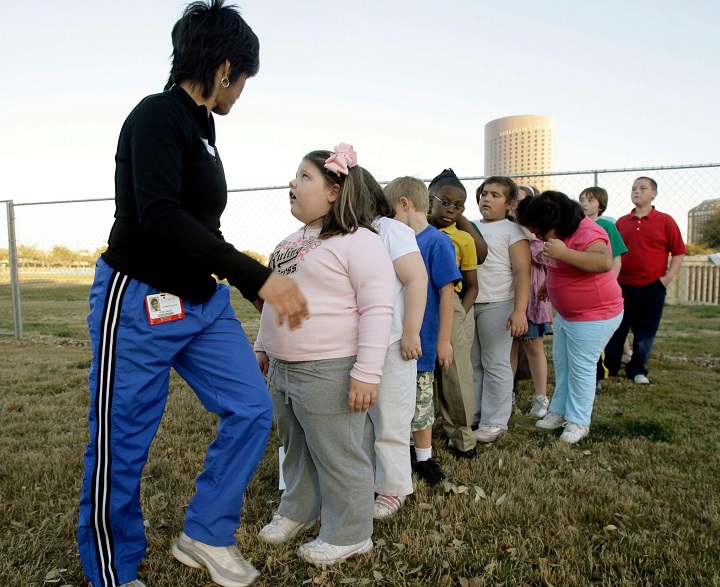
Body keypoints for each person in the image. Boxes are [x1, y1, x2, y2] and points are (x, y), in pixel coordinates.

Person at [77, 3, 308, 587]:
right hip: (139, 300)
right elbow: (158, 217)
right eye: (245, 79)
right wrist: (257, 276)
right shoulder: (156, 116)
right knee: (122, 441)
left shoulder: (204, 130)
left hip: (201, 305)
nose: (243, 92)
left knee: (253, 410)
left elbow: (202, 228)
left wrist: (239, 284)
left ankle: (205, 533)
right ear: (226, 67)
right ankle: (114, 571)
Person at [254, 145, 396, 565]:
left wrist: (366, 373)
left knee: (338, 453)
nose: (292, 185)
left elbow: (378, 308)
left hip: (329, 369)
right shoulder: (287, 243)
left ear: (334, 191)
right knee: (295, 446)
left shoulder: (359, 241)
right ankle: (298, 509)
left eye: (304, 177)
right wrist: (262, 347)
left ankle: (350, 532)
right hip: (283, 367)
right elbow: (272, 301)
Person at [516, 191, 624, 443]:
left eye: (541, 232)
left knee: (582, 368)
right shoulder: (560, 235)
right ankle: (559, 411)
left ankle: (578, 421)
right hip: (569, 315)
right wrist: (547, 285)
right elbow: (561, 268)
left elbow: (603, 262)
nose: (540, 238)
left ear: (556, 221)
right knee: (563, 362)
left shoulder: (587, 232)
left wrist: (564, 253)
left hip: (595, 315)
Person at [384, 176, 460, 486]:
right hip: (395, 337)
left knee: (421, 402)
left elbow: (446, 293)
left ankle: (425, 458)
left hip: (424, 340)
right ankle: (401, 454)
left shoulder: (436, 241)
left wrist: (443, 341)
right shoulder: (389, 240)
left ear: (404, 204)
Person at [362, 169, 428, 518]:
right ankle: (368, 479)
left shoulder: (391, 230)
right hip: (359, 343)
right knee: (365, 419)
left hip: (392, 341)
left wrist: (411, 332)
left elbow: (417, 279)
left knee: (391, 417)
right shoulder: (349, 233)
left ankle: (394, 487)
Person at [604, 177, 686, 384]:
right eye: (633, 188)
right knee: (617, 328)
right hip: (622, 285)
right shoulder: (622, 222)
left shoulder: (665, 221)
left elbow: (678, 252)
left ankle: (638, 369)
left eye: (642, 188)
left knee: (645, 331)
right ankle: (610, 367)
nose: (636, 192)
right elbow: (613, 252)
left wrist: (666, 279)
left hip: (652, 286)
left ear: (654, 194)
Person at [470, 177, 530, 443]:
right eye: (484, 193)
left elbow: (522, 272)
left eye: (495, 195)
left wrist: (519, 310)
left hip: (499, 303)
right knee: (472, 364)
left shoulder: (512, 231)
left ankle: (495, 421)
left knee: (495, 362)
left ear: (510, 204)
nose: (487, 199)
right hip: (471, 304)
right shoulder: (470, 227)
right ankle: (473, 416)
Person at [427, 168, 480, 460]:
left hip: (453, 305)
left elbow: (472, 286)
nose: (451, 210)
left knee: (456, 375)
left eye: (458, 206)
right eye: (445, 202)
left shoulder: (464, 239)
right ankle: (416, 434)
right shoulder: (414, 228)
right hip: (417, 305)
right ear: (429, 200)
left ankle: (462, 437)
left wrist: (459, 316)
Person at [578, 187, 628, 390]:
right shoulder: (575, 226)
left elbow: (616, 258)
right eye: (581, 199)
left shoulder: (607, 226)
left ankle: (597, 376)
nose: (584, 203)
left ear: (600, 204)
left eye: (590, 200)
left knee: (595, 337)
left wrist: (611, 282)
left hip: (601, 290)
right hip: (581, 290)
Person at [510, 186, 553, 418]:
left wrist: (529, 238)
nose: (516, 204)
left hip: (535, 299)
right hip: (510, 298)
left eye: (522, 200)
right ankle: (508, 394)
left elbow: (547, 257)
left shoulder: (540, 233)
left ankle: (540, 397)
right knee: (510, 348)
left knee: (534, 347)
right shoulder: (507, 229)